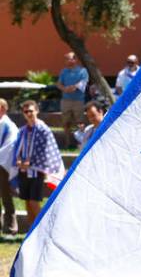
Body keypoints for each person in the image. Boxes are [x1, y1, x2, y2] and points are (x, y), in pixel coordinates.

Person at [12, 100, 63, 228]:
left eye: (31, 111)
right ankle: (30, 230)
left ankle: (42, 229)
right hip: (23, 171)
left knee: (34, 202)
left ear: (37, 111)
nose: (28, 114)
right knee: (27, 202)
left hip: (37, 171)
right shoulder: (22, 130)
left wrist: (30, 162)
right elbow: (17, 147)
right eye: (26, 111)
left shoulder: (43, 129)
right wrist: (18, 160)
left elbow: (46, 150)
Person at [56, 51, 88, 145]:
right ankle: (67, 143)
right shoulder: (63, 71)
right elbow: (59, 83)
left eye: (69, 58)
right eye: (66, 59)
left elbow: (83, 83)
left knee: (80, 122)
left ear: (75, 59)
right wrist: (64, 89)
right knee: (66, 122)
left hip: (78, 100)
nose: (67, 60)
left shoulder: (83, 71)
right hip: (66, 100)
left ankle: (81, 142)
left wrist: (72, 88)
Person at [0, 99, 17, 234]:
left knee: (6, 196)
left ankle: (10, 227)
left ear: (4, 109)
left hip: (3, 165)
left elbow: (10, 144)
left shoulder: (8, 125)